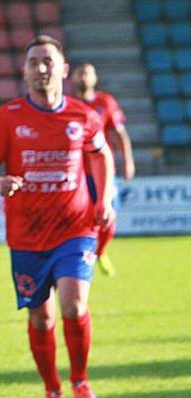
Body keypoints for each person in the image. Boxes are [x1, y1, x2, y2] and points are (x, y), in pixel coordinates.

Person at [0, 35, 115, 398]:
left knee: (73, 305)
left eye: (48, 61)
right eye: (34, 62)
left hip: (75, 226)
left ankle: (81, 382)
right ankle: (52, 389)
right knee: (42, 317)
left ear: (63, 69)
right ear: (24, 72)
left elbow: (102, 157)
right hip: (27, 234)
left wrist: (104, 199)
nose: (41, 69)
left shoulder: (83, 116)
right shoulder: (9, 118)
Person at [71, 62, 135, 276]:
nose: (83, 77)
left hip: (104, 172)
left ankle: (101, 252)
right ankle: (80, 259)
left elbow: (120, 134)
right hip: (77, 174)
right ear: (72, 78)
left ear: (95, 78)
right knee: (80, 221)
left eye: (87, 73)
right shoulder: (67, 105)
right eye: (79, 73)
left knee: (109, 218)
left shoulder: (105, 102)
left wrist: (128, 161)